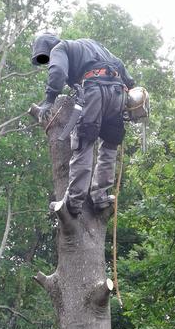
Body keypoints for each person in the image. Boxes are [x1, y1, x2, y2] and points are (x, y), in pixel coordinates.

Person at [31, 33, 135, 215]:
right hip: (118, 92)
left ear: (48, 48)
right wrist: (130, 89)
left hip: (94, 90)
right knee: (109, 146)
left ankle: (74, 200)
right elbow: (119, 64)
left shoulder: (60, 47)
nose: (49, 60)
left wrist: (49, 100)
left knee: (84, 140)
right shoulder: (91, 44)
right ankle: (101, 197)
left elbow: (58, 72)